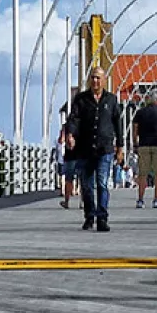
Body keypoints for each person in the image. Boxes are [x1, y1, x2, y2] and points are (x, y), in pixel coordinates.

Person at [66, 68, 123, 232]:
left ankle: (102, 217)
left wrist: (120, 147)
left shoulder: (111, 100)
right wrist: (71, 134)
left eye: (98, 78)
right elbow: (74, 119)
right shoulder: (81, 99)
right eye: (93, 78)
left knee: (102, 183)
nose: (95, 81)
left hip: (104, 148)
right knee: (87, 185)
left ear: (104, 80)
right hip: (85, 148)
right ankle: (89, 215)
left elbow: (117, 124)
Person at [55, 106, 75, 209]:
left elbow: (61, 140)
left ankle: (67, 201)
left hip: (70, 154)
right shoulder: (84, 122)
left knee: (69, 179)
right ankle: (83, 202)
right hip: (82, 153)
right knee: (83, 178)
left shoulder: (66, 126)